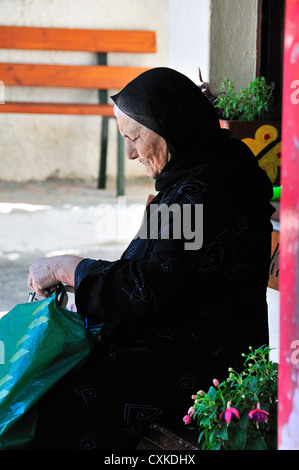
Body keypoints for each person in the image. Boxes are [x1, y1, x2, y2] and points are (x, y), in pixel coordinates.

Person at [27, 67, 275, 450]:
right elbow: (150, 274)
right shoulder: (191, 177)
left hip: (201, 366)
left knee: (52, 401)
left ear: (170, 127)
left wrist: (67, 268)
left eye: (135, 137)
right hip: (172, 344)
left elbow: (146, 288)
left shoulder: (206, 191)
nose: (129, 153)